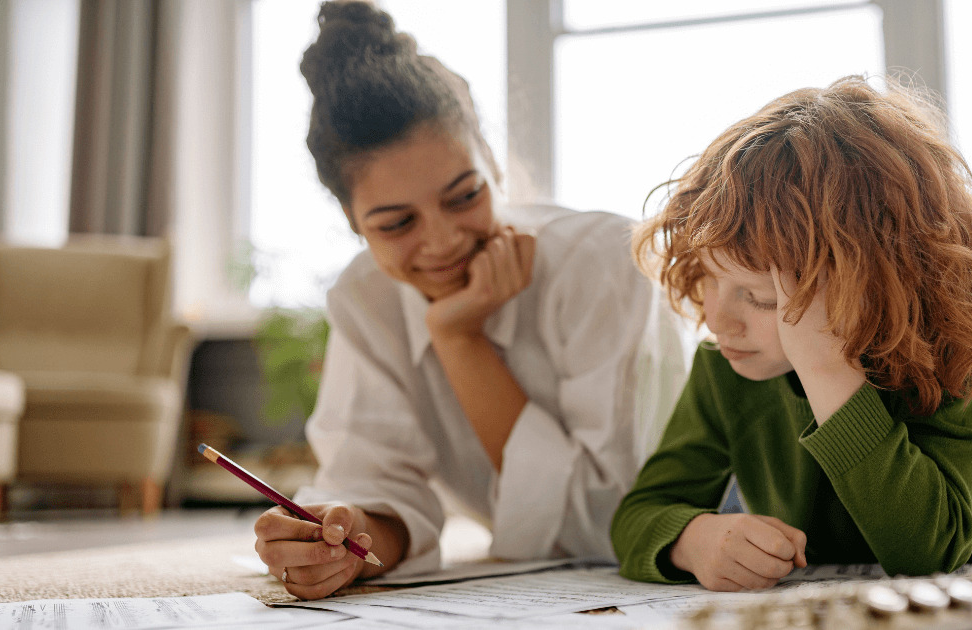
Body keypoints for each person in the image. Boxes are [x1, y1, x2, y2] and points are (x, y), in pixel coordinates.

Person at [611, 75, 972, 592]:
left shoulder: (960, 355)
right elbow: (641, 513)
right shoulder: (723, 366)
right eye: (709, 278)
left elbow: (927, 552)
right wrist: (690, 540)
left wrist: (827, 370)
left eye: (761, 298)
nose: (716, 319)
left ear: (869, 284)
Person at [251, 0, 689, 600]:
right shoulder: (364, 295)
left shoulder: (602, 263)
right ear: (353, 222)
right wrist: (346, 540)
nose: (443, 241)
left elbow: (611, 521)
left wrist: (459, 340)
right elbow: (374, 480)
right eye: (396, 223)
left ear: (492, 163)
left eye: (464, 195)